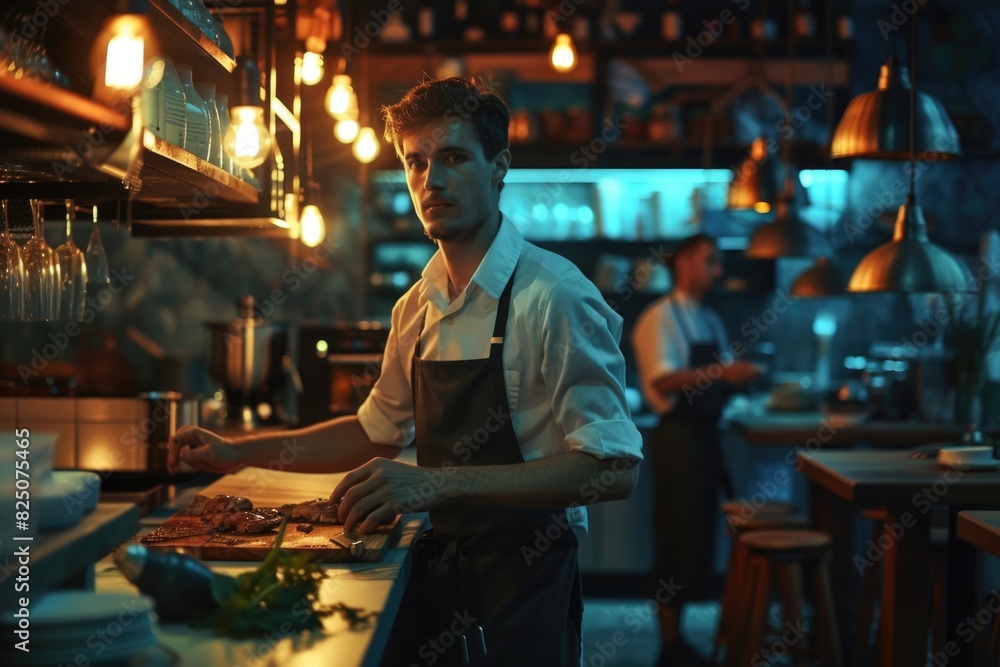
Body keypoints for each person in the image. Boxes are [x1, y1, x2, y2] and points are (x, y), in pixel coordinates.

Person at [168, 77, 643, 666]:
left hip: (526, 579)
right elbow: (374, 431)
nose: (432, 180)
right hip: (437, 574)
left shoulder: (556, 296)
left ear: (499, 167)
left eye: (453, 157)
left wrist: (435, 482)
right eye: (416, 163)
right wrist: (238, 451)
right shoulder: (416, 306)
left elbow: (615, 469)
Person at [631, 234, 760, 667]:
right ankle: (669, 646)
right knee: (674, 538)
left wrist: (732, 378)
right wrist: (725, 371)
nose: (718, 271)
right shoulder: (658, 319)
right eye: (711, 262)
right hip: (678, 441)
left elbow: (718, 376)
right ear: (684, 263)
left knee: (697, 540)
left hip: (705, 439)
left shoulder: (709, 320)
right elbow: (661, 383)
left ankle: (682, 639)